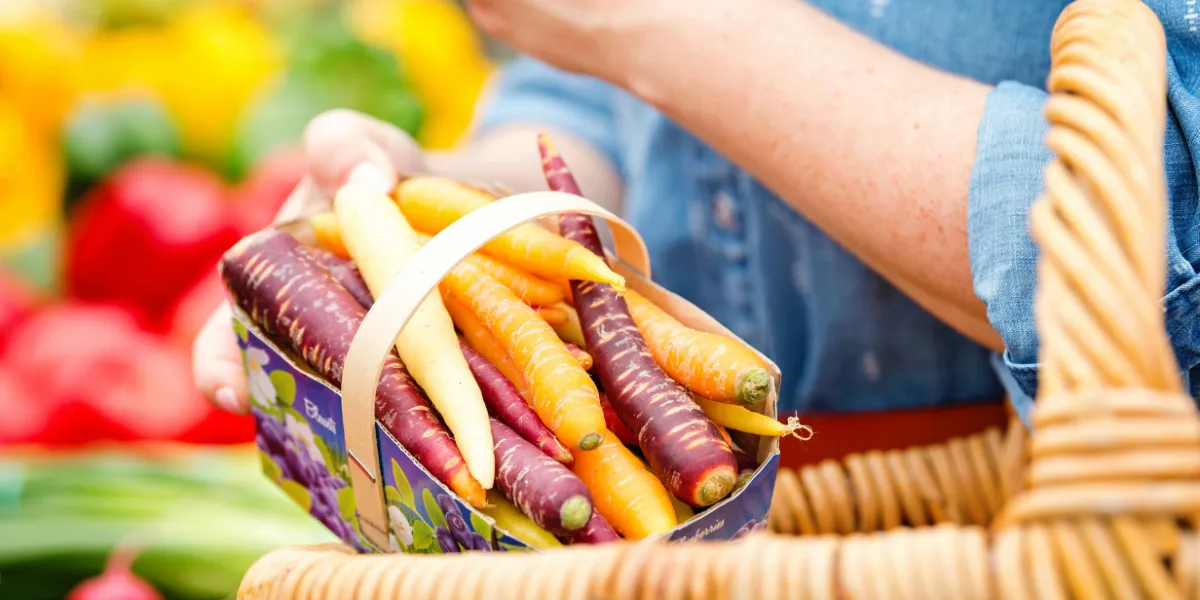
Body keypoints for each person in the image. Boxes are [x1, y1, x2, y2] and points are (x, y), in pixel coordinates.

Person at [194, 0, 1200, 444]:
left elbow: (1165, 244)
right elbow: (610, 117)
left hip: (1041, 539)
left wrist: (660, 22)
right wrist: (441, 203)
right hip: (685, 533)